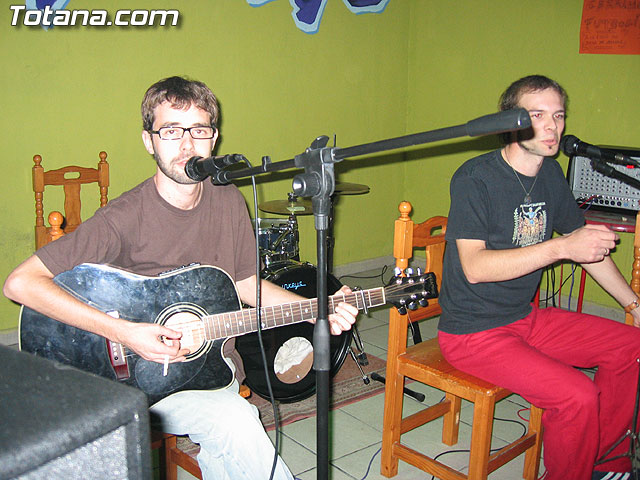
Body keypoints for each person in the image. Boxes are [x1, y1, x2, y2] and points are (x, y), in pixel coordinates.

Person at [3, 75, 359, 480]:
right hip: (128, 383)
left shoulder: (229, 201)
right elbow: (21, 283)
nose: (187, 145)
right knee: (226, 429)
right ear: (148, 140)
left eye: (199, 130)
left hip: (209, 369)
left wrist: (316, 310)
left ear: (214, 139)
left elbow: (245, 285)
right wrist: (123, 332)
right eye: (171, 131)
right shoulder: (124, 217)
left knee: (237, 432)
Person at [438, 74, 640, 480]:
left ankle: (604, 460)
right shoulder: (475, 178)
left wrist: (633, 304)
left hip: (523, 319)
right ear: (510, 122)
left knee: (631, 346)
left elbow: (584, 248)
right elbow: (475, 268)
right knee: (576, 395)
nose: (552, 127)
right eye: (537, 115)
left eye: (558, 115)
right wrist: (562, 247)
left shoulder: (550, 174)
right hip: (471, 333)